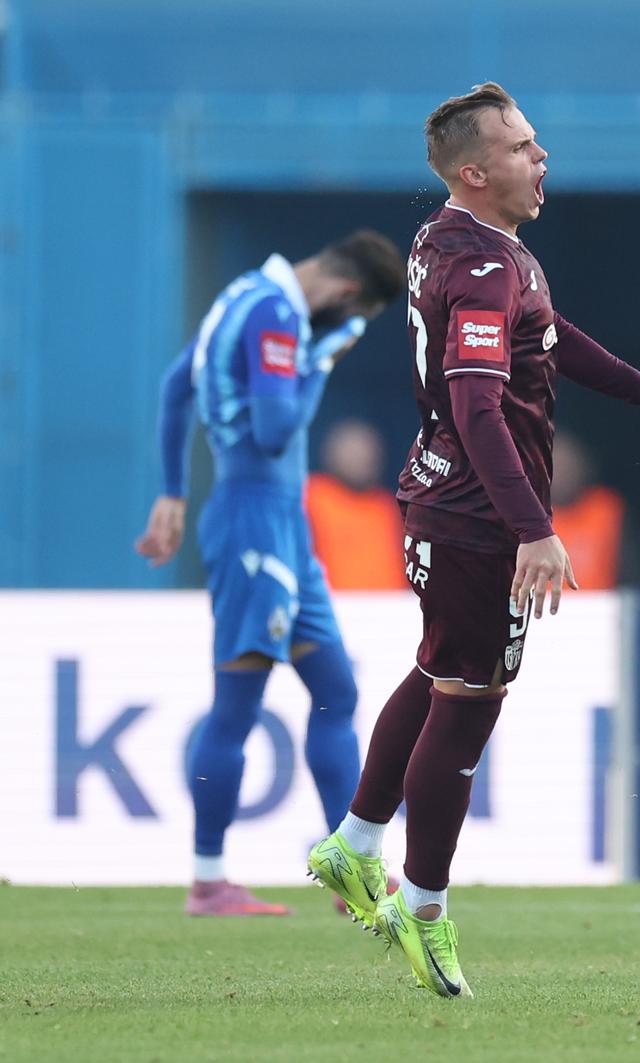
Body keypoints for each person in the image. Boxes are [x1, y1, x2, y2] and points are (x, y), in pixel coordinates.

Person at [306, 82, 640, 998]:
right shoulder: (485, 265)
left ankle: (355, 845)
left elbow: (546, 337)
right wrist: (533, 528)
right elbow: (475, 402)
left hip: (440, 503)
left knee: (437, 673)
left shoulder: (458, 242)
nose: (541, 158)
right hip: (475, 521)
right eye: (523, 146)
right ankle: (422, 909)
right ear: (474, 170)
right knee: (469, 698)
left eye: (537, 142)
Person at [135, 230, 405, 915]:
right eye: (354, 320)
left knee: (335, 690)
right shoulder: (277, 316)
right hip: (256, 522)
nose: (345, 330)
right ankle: (207, 878)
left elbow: (176, 387)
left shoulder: (243, 296)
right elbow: (278, 430)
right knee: (238, 705)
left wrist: (172, 489)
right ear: (346, 295)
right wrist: (319, 360)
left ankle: (351, 866)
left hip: (279, 524)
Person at [305, 419, 408, 590]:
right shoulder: (314, 497)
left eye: (368, 452)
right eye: (353, 452)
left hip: (394, 608)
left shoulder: (389, 505)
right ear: (331, 455)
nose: (362, 459)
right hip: (337, 606)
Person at [550, 431, 625, 590]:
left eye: (568, 466)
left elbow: (630, 570)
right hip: (541, 610)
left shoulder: (606, 509)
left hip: (601, 609)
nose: (563, 475)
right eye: (556, 466)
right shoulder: (527, 516)